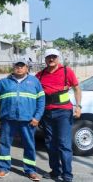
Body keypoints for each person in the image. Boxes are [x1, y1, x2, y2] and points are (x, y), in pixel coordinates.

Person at [0, 59, 45, 181]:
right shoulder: (4, 82)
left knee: (29, 145)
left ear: (27, 68)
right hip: (8, 119)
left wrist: (37, 117)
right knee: (4, 144)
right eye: (17, 65)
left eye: (22, 66)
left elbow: (41, 101)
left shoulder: (35, 82)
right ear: (13, 67)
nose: (19, 68)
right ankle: (2, 168)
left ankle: (30, 170)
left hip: (28, 120)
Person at [35, 49, 82, 182]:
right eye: (48, 57)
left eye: (53, 57)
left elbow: (77, 88)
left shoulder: (67, 71)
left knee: (64, 144)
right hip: (46, 114)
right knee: (50, 144)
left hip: (63, 113)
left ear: (58, 58)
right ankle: (55, 171)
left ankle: (67, 175)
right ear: (45, 59)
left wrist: (78, 106)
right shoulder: (40, 75)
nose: (51, 59)